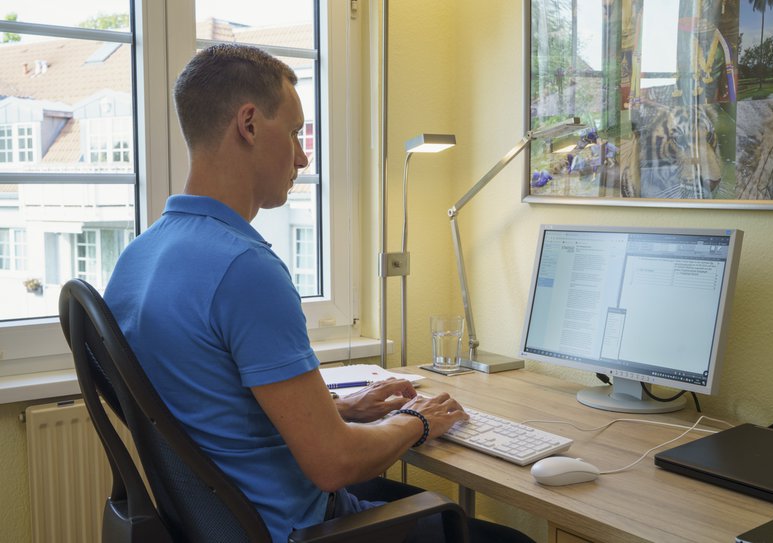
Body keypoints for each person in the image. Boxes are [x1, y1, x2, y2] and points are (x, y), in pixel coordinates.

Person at [104, 44, 533, 543]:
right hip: (301, 531)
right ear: (248, 124)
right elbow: (335, 464)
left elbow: (208, 410)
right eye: (293, 133)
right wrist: (417, 419)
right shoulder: (244, 268)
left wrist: (339, 411)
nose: (303, 157)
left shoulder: (138, 258)